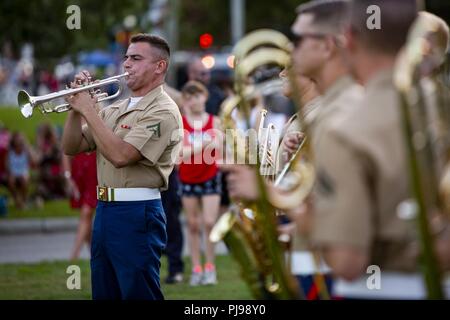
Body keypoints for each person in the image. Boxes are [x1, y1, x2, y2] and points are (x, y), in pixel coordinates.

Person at [309, 0, 450, 299]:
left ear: (348, 37)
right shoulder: (439, 108)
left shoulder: (346, 130)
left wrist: (305, 218)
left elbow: (348, 262)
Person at [61, 33, 183, 300]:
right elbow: (72, 147)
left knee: (138, 293)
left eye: (136, 58)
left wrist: (90, 112)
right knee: (105, 293)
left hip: (137, 212)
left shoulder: (163, 111)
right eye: (126, 57)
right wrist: (75, 107)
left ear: (159, 66)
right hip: (105, 209)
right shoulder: (117, 108)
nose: (126, 63)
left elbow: (121, 155)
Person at [178, 80, 222, 286]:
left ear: (204, 97)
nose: (194, 101)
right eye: (189, 97)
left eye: (197, 96)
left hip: (210, 176)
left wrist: (197, 148)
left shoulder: (215, 121)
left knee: (209, 223)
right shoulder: (181, 123)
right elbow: (179, 155)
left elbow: (220, 148)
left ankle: (210, 267)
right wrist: (205, 144)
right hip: (188, 177)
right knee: (193, 225)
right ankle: (196, 268)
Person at [62, 143, 97, 261]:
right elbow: (65, 150)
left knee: (86, 213)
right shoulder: (73, 123)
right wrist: (68, 176)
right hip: (80, 170)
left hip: (96, 168)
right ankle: (95, 256)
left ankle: (73, 258)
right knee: (86, 217)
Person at [6, 132, 34, 210]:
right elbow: (7, 164)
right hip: (13, 171)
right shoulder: (10, 151)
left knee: (24, 179)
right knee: (11, 180)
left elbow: (34, 160)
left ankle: (24, 199)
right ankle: (16, 199)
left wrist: (28, 145)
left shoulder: (25, 150)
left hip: (24, 171)